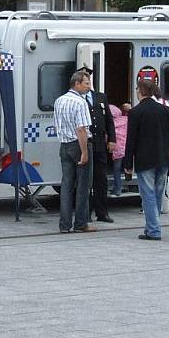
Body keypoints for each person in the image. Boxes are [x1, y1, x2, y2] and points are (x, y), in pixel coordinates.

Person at [124, 79, 169, 241]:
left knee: (147, 194)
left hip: (145, 159)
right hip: (163, 158)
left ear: (140, 91)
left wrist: (128, 164)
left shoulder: (135, 112)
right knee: (158, 194)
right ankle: (151, 227)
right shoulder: (165, 110)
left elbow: (131, 140)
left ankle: (154, 230)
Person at [53, 71, 97, 234]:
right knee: (83, 186)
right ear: (77, 83)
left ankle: (64, 225)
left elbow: (57, 125)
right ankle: (81, 223)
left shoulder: (59, 100)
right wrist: (84, 152)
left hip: (64, 145)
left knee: (66, 185)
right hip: (78, 145)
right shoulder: (80, 102)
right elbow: (81, 129)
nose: (89, 86)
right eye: (86, 83)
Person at [78, 66, 116, 223]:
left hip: (100, 143)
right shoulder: (77, 98)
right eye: (85, 81)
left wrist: (112, 139)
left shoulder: (100, 97)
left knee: (101, 179)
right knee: (85, 180)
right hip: (85, 143)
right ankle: (86, 212)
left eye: (89, 80)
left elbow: (109, 120)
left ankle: (102, 212)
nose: (88, 84)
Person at [109, 103, 128, 197]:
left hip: (117, 149)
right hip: (127, 148)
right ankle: (125, 183)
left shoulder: (112, 123)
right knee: (126, 167)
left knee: (116, 169)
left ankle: (117, 188)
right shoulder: (126, 120)